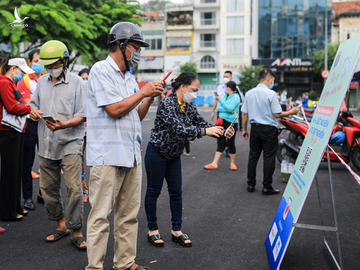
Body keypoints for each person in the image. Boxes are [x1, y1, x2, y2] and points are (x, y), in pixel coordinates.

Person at [85, 22, 163, 270]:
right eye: (136, 46)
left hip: (131, 155)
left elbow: (135, 116)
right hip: (107, 156)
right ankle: (94, 267)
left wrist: (149, 97)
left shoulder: (129, 77)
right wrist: (142, 93)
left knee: (128, 216)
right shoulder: (100, 70)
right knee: (100, 217)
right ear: (121, 44)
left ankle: (124, 262)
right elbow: (115, 110)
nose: (138, 52)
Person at [144, 71, 234, 248]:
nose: (196, 93)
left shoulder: (188, 105)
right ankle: (152, 230)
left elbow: (201, 123)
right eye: (195, 89)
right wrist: (205, 131)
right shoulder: (167, 103)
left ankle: (176, 230)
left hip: (174, 155)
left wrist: (221, 131)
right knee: (153, 192)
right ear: (183, 87)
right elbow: (179, 129)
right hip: (157, 152)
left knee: (176, 192)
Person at [30, 40, 87, 249]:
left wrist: (64, 125)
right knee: (47, 189)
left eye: (55, 65)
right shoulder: (42, 82)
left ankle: (77, 230)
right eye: (48, 66)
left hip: (70, 142)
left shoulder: (77, 83)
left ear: (64, 62)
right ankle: (61, 225)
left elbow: (82, 114)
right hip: (46, 144)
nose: (52, 69)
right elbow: (33, 105)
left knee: (74, 188)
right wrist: (34, 111)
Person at [241, 69, 300, 195]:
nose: (273, 82)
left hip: (255, 129)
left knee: (253, 157)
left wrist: (245, 129)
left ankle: (250, 185)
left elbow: (245, 114)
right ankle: (266, 187)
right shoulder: (271, 94)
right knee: (268, 158)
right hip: (269, 130)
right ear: (268, 79)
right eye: (273, 80)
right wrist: (291, 112)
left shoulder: (249, 93)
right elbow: (277, 114)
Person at [0, 56, 34, 221]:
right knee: (9, 173)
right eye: (20, 71)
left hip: (15, 131)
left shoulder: (10, 84)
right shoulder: (4, 82)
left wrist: (26, 106)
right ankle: (8, 212)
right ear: (13, 69)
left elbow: (19, 102)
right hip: (7, 132)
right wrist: (30, 109)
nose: (21, 75)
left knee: (15, 172)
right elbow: (12, 107)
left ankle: (15, 207)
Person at [17, 49, 44, 210]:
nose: (39, 63)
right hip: (29, 123)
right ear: (30, 62)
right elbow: (28, 103)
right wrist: (34, 109)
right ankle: (27, 197)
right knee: (27, 162)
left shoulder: (48, 78)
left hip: (45, 122)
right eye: (36, 60)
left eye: (42, 60)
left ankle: (43, 193)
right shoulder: (24, 80)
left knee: (47, 161)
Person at [204, 81, 241, 171]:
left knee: (230, 142)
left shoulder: (236, 97)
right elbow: (219, 108)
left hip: (231, 123)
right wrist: (228, 109)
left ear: (229, 88)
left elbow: (229, 108)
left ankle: (232, 163)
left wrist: (221, 101)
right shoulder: (225, 96)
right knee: (220, 141)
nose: (224, 89)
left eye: (225, 87)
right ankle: (214, 163)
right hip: (222, 121)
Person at [78, 68, 90, 203]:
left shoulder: (97, 95)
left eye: (87, 78)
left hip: (94, 133)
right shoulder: (76, 94)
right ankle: (84, 191)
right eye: (82, 78)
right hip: (80, 133)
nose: (85, 81)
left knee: (96, 165)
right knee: (80, 164)